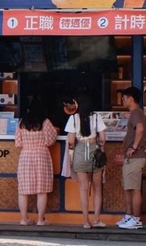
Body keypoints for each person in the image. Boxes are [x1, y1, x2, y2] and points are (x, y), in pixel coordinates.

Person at [63, 96, 107, 229]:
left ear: (78, 104)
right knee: (97, 188)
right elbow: (103, 138)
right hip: (94, 153)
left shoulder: (73, 119)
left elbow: (71, 141)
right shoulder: (96, 117)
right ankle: (97, 219)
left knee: (83, 188)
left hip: (80, 152)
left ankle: (85, 221)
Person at [14, 98, 58, 226]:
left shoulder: (22, 123)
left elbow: (17, 143)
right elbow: (51, 140)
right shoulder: (45, 122)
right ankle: (40, 219)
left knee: (23, 190)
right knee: (42, 189)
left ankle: (24, 219)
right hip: (41, 156)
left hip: (26, 156)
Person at [116, 86, 146, 230]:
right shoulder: (135, 113)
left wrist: (134, 147)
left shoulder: (136, 113)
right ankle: (129, 216)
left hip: (136, 156)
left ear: (131, 99)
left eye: (124, 98)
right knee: (128, 187)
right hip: (131, 158)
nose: (122, 100)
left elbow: (140, 129)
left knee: (134, 188)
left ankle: (136, 218)